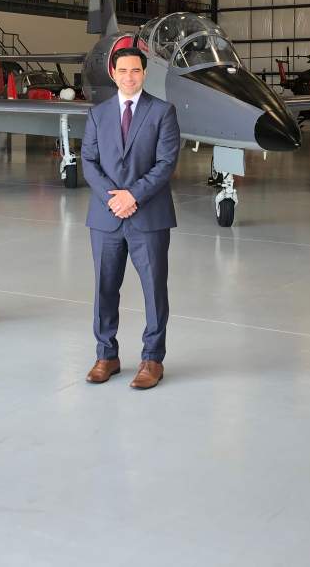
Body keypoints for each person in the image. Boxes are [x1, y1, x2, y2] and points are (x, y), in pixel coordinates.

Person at [81, 47, 181, 390]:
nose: (129, 77)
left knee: (154, 290)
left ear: (144, 72)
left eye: (135, 71)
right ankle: (106, 355)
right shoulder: (97, 115)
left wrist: (133, 195)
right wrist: (115, 199)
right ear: (113, 72)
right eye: (123, 70)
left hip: (148, 216)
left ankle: (152, 359)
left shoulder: (163, 112)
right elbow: (89, 162)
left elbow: (166, 163)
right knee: (104, 289)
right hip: (106, 217)